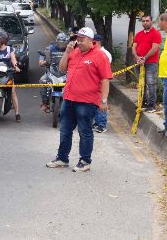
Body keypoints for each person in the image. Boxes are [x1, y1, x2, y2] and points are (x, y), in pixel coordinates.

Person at [46, 27, 112, 172]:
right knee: (65, 130)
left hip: (87, 101)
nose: (79, 42)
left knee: (85, 131)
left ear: (90, 40)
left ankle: (85, 160)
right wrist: (67, 52)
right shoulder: (74, 52)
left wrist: (104, 100)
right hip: (69, 98)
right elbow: (62, 69)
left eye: (82, 40)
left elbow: (106, 79)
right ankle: (62, 158)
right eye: (78, 39)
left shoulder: (100, 56)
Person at [132, 15, 162, 112]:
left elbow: (154, 48)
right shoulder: (139, 34)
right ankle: (143, 103)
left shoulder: (156, 34)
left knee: (151, 83)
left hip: (151, 63)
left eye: (147, 21)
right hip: (138, 62)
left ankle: (152, 105)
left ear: (152, 22)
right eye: (143, 21)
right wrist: (137, 57)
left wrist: (144, 58)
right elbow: (134, 47)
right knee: (141, 83)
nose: (145, 22)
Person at [38, 32, 69, 113]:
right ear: (56, 42)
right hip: (52, 71)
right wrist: (43, 62)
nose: (61, 44)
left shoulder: (69, 49)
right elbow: (41, 60)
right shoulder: (50, 49)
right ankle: (45, 103)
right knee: (42, 80)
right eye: (60, 42)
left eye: (63, 43)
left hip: (66, 72)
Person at [92, 34, 113, 133]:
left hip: (102, 82)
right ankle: (97, 122)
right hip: (93, 82)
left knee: (102, 102)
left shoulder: (105, 54)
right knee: (95, 102)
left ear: (96, 42)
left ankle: (102, 124)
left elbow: (104, 70)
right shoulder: (94, 52)